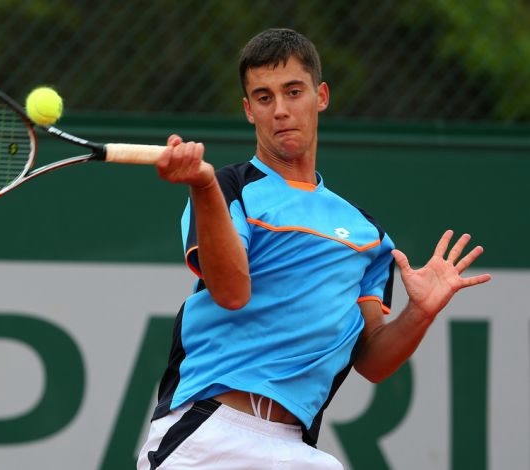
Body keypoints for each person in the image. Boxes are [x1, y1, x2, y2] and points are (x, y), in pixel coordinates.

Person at [136, 28, 491, 470]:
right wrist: (203, 184)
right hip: (211, 433)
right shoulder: (229, 189)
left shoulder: (367, 234)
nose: (281, 110)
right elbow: (230, 291)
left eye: (293, 92)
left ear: (320, 96)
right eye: (264, 98)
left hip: (295, 447)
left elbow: (374, 361)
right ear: (249, 111)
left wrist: (421, 312)